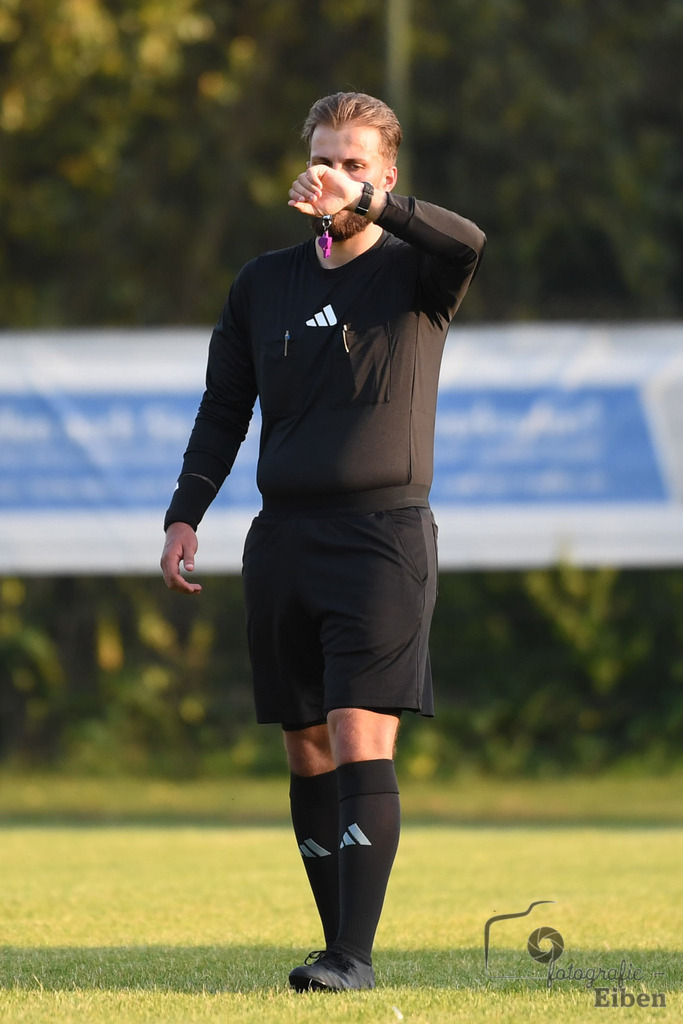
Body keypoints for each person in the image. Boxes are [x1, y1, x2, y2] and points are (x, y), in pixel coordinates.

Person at [160, 91, 485, 992]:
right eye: (322, 158)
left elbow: (468, 242)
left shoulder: (417, 276)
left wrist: (372, 213)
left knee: (354, 733)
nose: (332, 174)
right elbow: (224, 407)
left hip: (381, 539)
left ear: (383, 177)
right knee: (304, 743)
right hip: (282, 541)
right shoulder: (262, 283)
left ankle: (353, 957)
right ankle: (333, 942)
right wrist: (185, 513)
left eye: (353, 162)